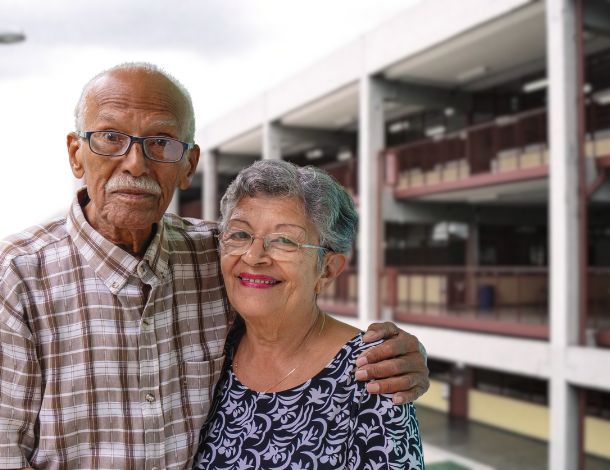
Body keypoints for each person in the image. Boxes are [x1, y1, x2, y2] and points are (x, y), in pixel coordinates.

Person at [0, 63, 428, 469]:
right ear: (76, 154)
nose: (135, 162)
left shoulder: (215, 255)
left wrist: (407, 354)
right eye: (110, 136)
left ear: (188, 164)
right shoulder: (17, 277)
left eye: (161, 142)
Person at [194, 160, 422, 469]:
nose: (254, 256)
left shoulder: (372, 373)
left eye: (284, 241)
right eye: (240, 235)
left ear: (327, 269)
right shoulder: (212, 348)